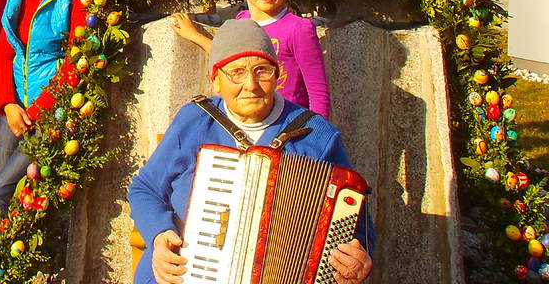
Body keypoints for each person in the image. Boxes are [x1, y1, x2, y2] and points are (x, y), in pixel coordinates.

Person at [128, 19, 374, 284]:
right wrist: (159, 233)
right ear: (216, 79)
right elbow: (145, 189)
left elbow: (358, 224)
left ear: (277, 75)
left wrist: (356, 259)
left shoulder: (317, 135)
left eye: (262, 71)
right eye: (236, 72)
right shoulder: (195, 120)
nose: (251, 85)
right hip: (183, 275)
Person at [0, 0, 84, 222]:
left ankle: (2, 260)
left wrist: (40, 111)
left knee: (0, 191)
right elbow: (4, 49)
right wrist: (8, 103)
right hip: (16, 103)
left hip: (49, 106)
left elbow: (76, 59)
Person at [174, 0, 330, 117]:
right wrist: (194, 35)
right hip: (247, 123)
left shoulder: (298, 29)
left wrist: (316, 137)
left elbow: (318, 93)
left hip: (287, 127)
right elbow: (228, 54)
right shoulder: (242, 21)